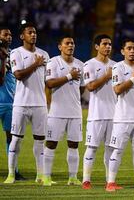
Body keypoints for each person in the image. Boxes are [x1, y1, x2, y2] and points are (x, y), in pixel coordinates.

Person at [4, 22, 50, 184]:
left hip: (40, 104)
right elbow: (18, 75)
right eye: (30, 32)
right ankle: (11, 174)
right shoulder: (16, 53)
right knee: (16, 139)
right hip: (21, 104)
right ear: (22, 36)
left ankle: (40, 175)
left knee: (39, 140)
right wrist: (36, 64)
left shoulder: (44, 54)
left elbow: (47, 81)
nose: (33, 35)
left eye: (35, 32)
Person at [42, 35, 84, 186]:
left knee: (74, 144)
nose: (70, 45)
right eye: (67, 43)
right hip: (57, 111)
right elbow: (49, 83)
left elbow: (82, 87)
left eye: (72, 43)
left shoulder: (80, 64)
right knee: (51, 143)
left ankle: (73, 177)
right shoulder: (53, 62)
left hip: (75, 112)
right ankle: (46, 177)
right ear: (60, 46)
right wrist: (69, 76)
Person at [106, 39, 134, 192]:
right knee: (117, 150)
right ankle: (110, 182)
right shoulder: (118, 67)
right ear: (123, 51)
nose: (132, 51)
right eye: (129, 48)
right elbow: (117, 90)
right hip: (123, 118)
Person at [82, 34, 117, 189]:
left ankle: (110, 181)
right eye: (104, 44)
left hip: (115, 115)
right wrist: (107, 75)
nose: (108, 47)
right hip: (96, 114)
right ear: (97, 46)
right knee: (92, 147)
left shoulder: (117, 65)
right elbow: (90, 87)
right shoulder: (89, 65)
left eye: (109, 44)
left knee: (111, 149)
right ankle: (86, 180)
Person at [0, 26, 25, 180]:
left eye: (10, 34)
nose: (8, 37)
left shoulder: (14, 54)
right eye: (5, 34)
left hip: (10, 102)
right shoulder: (4, 56)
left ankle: (13, 170)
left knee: (12, 137)